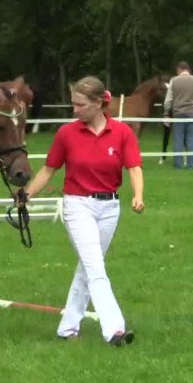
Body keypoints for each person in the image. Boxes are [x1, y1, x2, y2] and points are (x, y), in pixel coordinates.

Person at [21, 75, 144, 347]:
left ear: (98, 103)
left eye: (79, 105)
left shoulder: (122, 133)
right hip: (77, 206)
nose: (74, 110)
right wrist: (26, 194)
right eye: (73, 105)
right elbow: (48, 169)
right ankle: (114, 329)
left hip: (110, 208)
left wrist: (138, 195)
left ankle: (67, 328)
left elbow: (134, 167)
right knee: (95, 268)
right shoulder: (66, 134)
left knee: (86, 268)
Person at [163, 62, 193, 169]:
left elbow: (168, 100)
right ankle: (190, 165)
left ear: (179, 69)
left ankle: (178, 165)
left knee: (178, 139)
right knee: (191, 139)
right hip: (192, 112)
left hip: (178, 113)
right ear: (188, 69)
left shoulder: (174, 80)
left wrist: (167, 111)